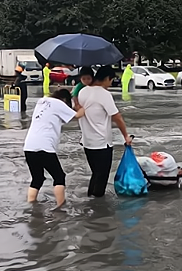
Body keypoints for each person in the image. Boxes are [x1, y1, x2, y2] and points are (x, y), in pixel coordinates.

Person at [23, 89, 85, 208]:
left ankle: (31, 206)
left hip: (29, 146)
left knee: (37, 178)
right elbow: (78, 115)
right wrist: (80, 107)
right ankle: (60, 206)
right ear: (65, 100)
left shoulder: (42, 101)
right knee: (59, 177)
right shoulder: (59, 104)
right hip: (44, 146)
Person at [78, 66, 132, 198]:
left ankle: (89, 202)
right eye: (111, 81)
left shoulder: (82, 92)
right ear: (107, 78)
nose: (110, 84)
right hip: (102, 143)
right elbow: (117, 117)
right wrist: (126, 136)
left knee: (96, 174)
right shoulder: (104, 94)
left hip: (87, 142)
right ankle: (98, 211)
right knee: (101, 177)